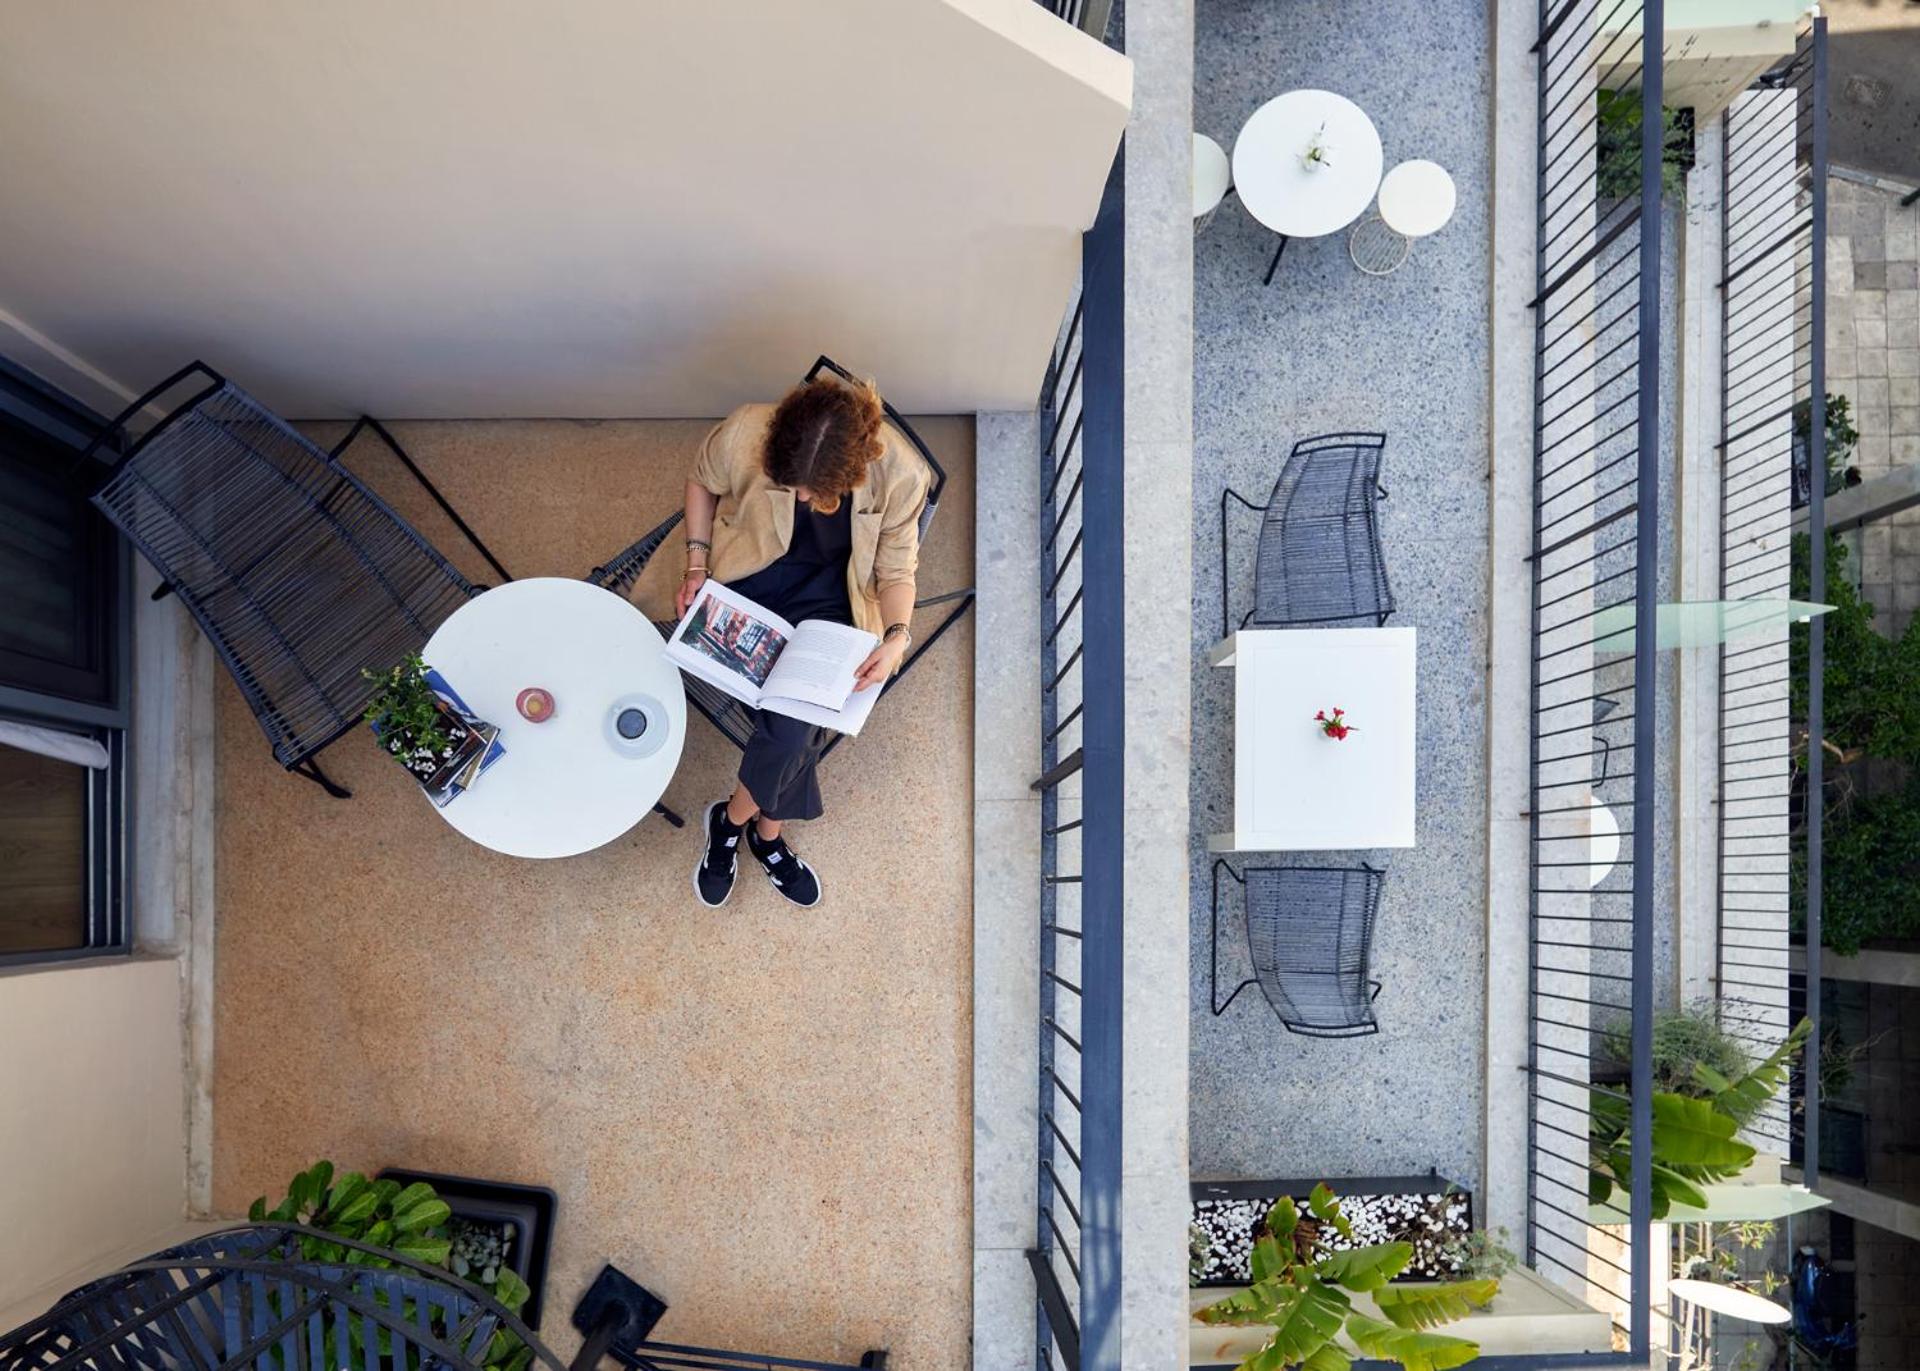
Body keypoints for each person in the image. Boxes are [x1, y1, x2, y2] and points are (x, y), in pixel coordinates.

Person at [666, 375, 926, 909]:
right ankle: (767, 837)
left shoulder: (902, 475)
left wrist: (897, 637)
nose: (802, 498)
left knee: (790, 732)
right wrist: (695, 564)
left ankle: (730, 822)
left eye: (814, 494)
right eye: (792, 487)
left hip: (833, 597)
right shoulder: (746, 429)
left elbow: (897, 573)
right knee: (799, 732)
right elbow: (701, 481)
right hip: (749, 575)